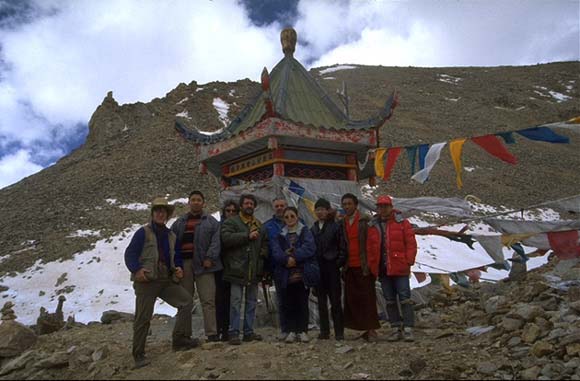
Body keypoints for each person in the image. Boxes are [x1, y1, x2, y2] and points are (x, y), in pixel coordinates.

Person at [124, 197, 199, 369]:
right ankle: (138, 354)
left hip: (166, 279)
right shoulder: (143, 232)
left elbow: (176, 256)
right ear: (152, 213)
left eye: (163, 211)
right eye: (157, 210)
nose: (160, 213)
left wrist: (178, 267)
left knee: (186, 301)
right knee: (143, 317)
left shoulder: (171, 235)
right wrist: (137, 270)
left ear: (166, 215)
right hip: (147, 281)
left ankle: (179, 340)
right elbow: (130, 254)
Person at [170, 191, 222, 342]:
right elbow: (172, 244)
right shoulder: (179, 223)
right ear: (189, 202)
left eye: (199, 200)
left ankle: (211, 333)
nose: (196, 202)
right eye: (193, 200)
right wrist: (175, 265)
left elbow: (216, 242)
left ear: (203, 203)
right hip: (185, 266)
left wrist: (210, 258)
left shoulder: (212, 222)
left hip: (205, 264)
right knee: (185, 300)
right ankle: (184, 334)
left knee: (208, 299)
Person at [221, 194, 269, 345]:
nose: (249, 206)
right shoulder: (232, 222)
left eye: (251, 203)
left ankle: (248, 331)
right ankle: (234, 332)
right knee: (235, 302)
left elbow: (265, 244)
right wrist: (246, 236)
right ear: (241, 206)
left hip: (253, 270)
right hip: (236, 269)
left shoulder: (259, 225)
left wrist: (262, 256)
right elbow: (226, 239)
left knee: (251, 302)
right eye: (246, 203)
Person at [373, 195, 417, 342]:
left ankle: (409, 328)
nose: (383, 209)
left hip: (400, 267)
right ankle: (395, 327)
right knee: (389, 299)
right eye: (380, 206)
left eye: (385, 206)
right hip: (383, 268)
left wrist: (408, 261)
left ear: (391, 207)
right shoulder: (374, 225)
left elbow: (411, 243)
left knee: (405, 298)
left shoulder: (402, 223)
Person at [271, 207, 318, 343]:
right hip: (286, 274)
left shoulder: (305, 231)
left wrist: (294, 257)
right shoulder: (279, 235)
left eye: (292, 216)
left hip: (302, 273)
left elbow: (309, 248)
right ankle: (291, 330)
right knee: (288, 303)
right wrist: (286, 260)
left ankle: (302, 330)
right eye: (287, 217)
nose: (290, 219)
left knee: (302, 302)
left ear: (297, 217)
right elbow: (276, 252)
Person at [339, 193, 381, 341]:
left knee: (368, 299)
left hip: (364, 265)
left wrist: (371, 264)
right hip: (349, 266)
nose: (346, 207)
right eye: (344, 204)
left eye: (349, 204)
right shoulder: (342, 222)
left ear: (356, 205)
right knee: (352, 299)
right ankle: (358, 329)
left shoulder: (365, 221)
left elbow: (373, 243)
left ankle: (371, 330)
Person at [311, 198, 346, 341]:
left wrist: (337, 263)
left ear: (328, 210)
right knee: (321, 301)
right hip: (318, 268)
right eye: (318, 209)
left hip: (332, 267)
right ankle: (324, 331)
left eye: (323, 209)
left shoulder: (336, 227)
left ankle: (339, 331)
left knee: (335, 301)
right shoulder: (312, 228)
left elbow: (342, 247)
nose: (320, 212)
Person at [263, 197, 289, 340]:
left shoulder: (297, 222)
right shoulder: (267, 226)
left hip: (295, 267)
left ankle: (299, 328)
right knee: (282, 299)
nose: (279, 208)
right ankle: (285, 329)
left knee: (297, 298)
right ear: (273, 208)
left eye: (282, 205)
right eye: (277, 206)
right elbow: (266, 250)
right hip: (278, 268)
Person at [215, 200, 239, 341]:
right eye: (228, 211)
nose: (230, 213)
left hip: (236, 267)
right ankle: (221, 329)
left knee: (234, 300)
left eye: (233, 211)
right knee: (221, 299)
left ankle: (231, 328)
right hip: (221, 267)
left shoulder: (240, 226)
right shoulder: (218, 227)